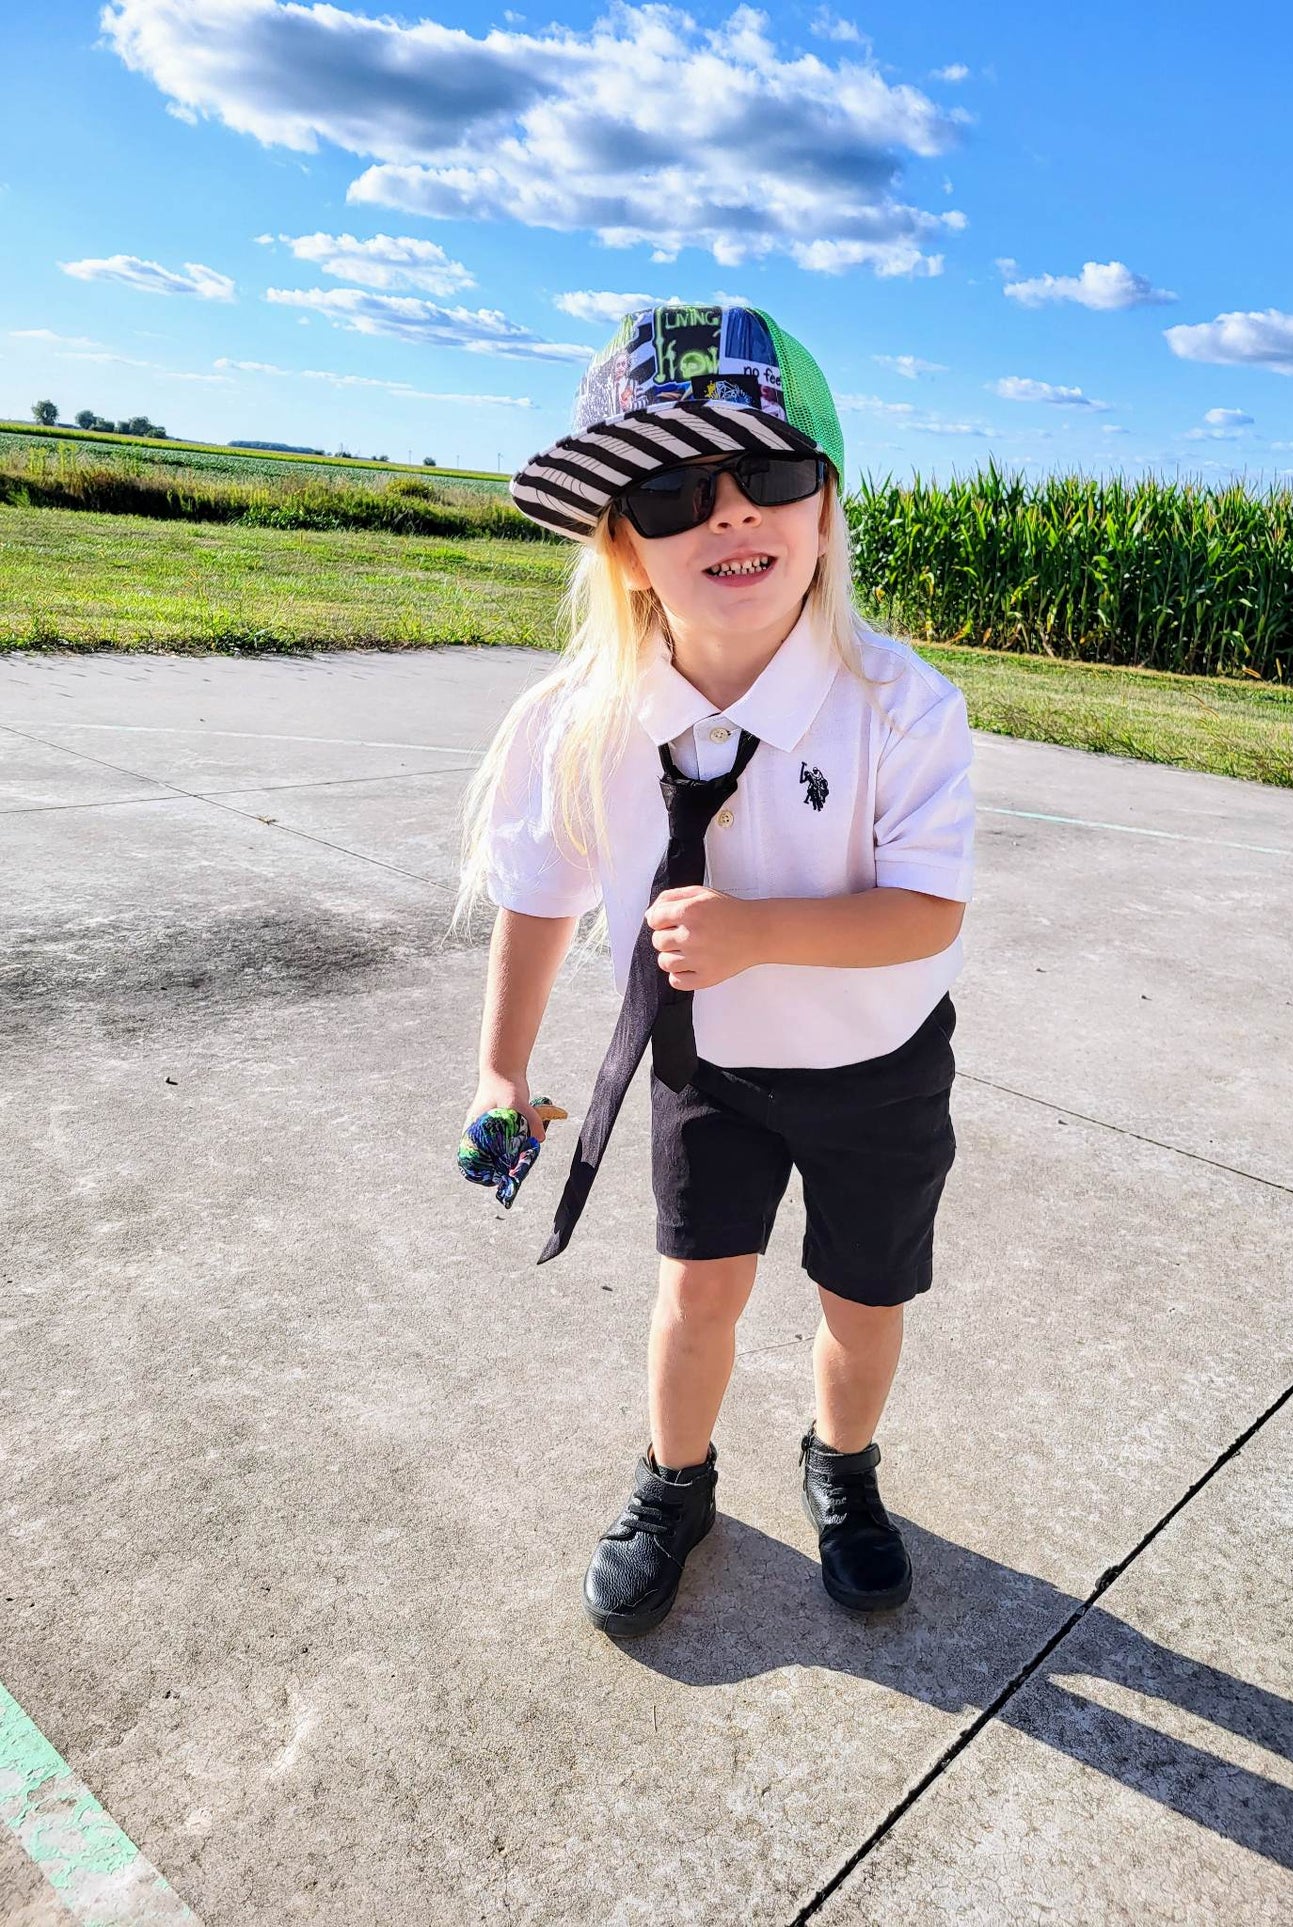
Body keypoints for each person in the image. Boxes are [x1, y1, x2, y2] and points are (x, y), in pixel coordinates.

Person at [453, 304, 975, 1637]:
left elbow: (923, 912)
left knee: (862, 1303)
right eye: (676, 492)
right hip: (708, 1070)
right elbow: (539, 899)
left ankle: (841, 1470)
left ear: (824, 507)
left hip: (877, 1072)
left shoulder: (900, 704)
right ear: (625, 549)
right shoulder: (579, 721)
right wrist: (499, 1072)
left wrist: (757, 931)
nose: (732, 515)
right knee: (695, 1290)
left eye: (772, 476)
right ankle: (671, 1481)